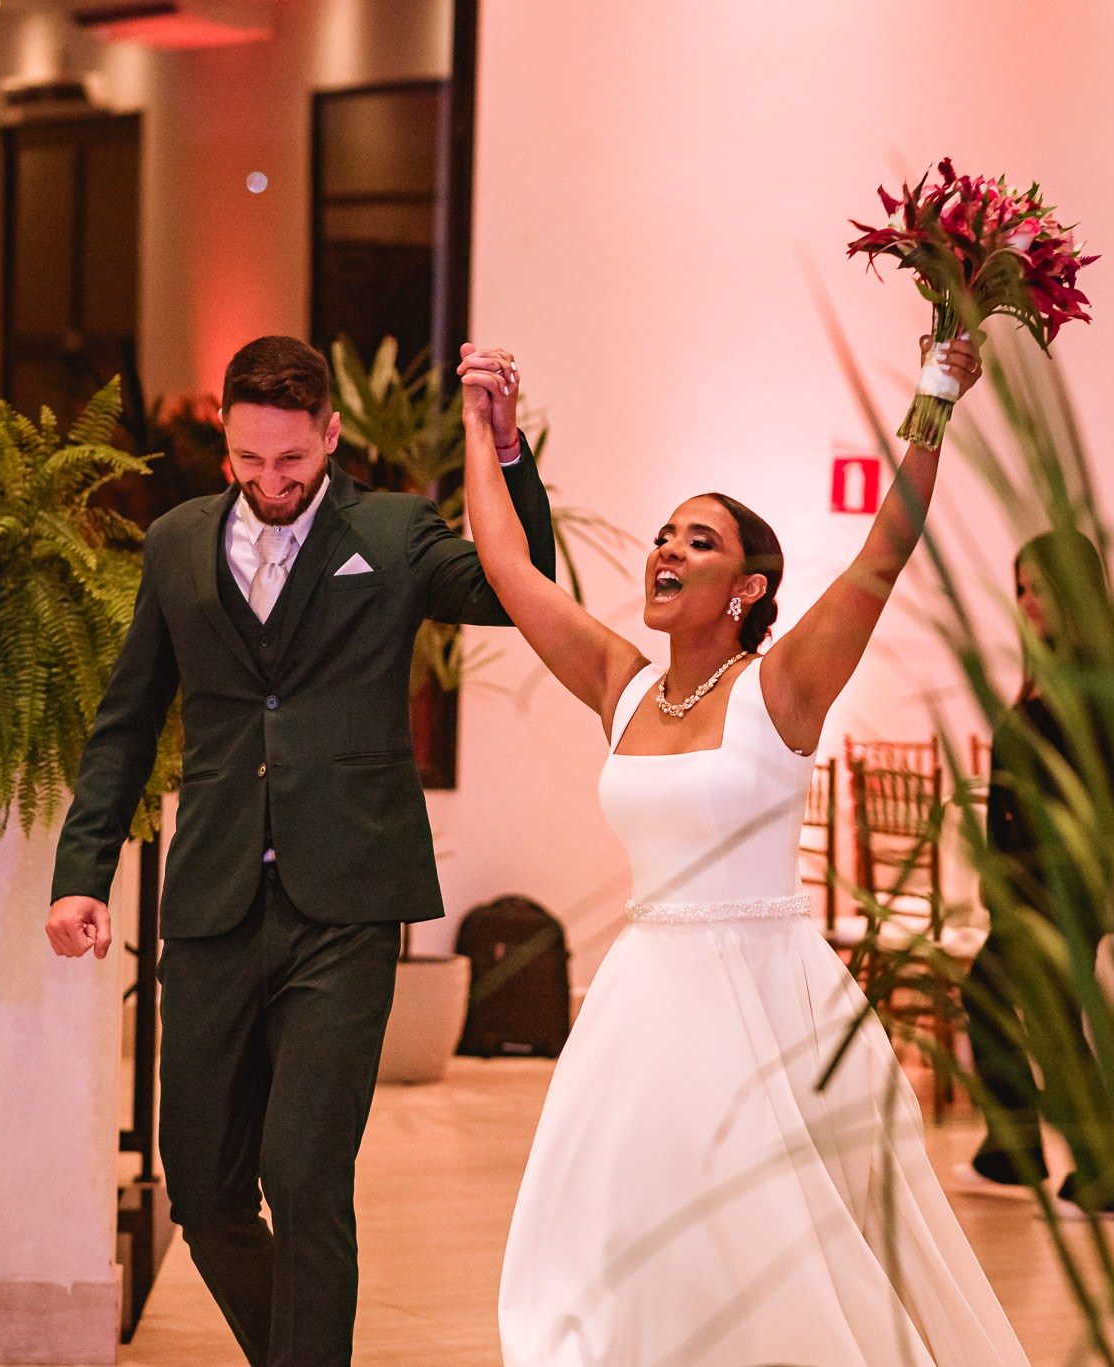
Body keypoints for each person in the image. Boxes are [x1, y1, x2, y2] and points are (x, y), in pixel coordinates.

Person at [457, 333, 1030, 1366]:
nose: (666, 550)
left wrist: (934, 393)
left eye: (699, 541)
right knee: (623, 1250)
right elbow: (504, 565)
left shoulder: (782, 687)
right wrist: (486, 434)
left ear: (749, 586)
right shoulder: (619, 682)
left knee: (775, 1255)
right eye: (664, 534)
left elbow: (883, 553)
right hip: (640, 1009)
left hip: (768, 1004)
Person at [45, 335, 555, 1367]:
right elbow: (126, 721)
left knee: (304, 1172)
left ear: (328, 434)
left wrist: (503, 453)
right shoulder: (178, 542)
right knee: (203, 1188)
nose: (270, 483)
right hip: (214, 900)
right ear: (223, 445)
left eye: (291, 460)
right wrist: (79, 872)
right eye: (248, 461)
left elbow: (516, 586)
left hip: (345, 898)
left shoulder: (393, 528)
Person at [950, 530, 1114, 1216]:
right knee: (995, 998)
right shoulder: (1048, 675)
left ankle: (1103, 1170)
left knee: (1050, 1020)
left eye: (1041, 589)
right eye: (1021, 589)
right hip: (1025, 885)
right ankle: (1013, 1149)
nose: (1028, 603)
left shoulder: (1094, 685)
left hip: (1059, 887)